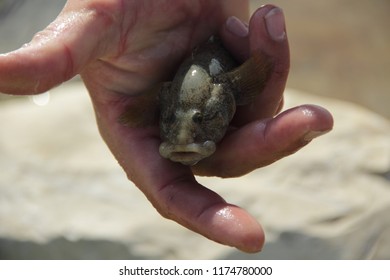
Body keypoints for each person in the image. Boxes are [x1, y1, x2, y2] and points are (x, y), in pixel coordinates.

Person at [0, 0, 333, 253]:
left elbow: (261, 71)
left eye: (200, 121)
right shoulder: (170, 95)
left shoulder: (224, 87)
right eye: (172, 121)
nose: (184, 139)